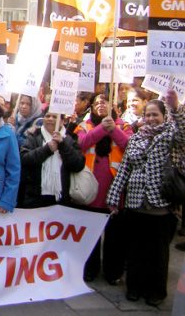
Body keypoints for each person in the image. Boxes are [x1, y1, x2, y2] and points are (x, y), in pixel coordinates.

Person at [107, 90, 185, 307]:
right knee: (136, 251)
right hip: (135, 204)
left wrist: (176, 107)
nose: (151, 119)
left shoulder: (170, 135)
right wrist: (113, 198)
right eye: (148, 115)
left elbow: (183, 135)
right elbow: (124, 169)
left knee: (158, 253)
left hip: (160, 206)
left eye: (155, 115)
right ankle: (135, 287)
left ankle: (156, 291)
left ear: (163, 116)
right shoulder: (135, 139)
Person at [75, 93, 133, 284]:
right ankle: (90, 269)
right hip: (91, 189)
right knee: (90, 233)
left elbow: (130, 146)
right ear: (92, 107)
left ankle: (112, 272)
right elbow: (82, 143)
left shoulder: (124, 126)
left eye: (105, 101)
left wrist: (113, 129)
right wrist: (102, 128)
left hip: (115, 188)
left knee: (115, 236)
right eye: (97, 102)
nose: (101, 105)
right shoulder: (84, 125)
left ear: (113, 104)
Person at [20, 111, 85, 208]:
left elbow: (78, 165)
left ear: (62, 121)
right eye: (47, 116)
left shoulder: (69, 139)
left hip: (61, 200)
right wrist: (47, 149)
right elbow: (24, 159)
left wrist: (63, 145)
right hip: (35, 198)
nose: (50, 119)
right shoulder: (34, 136)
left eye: (55, 117)